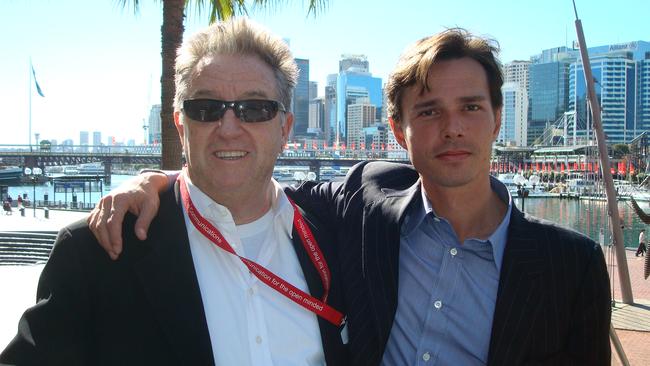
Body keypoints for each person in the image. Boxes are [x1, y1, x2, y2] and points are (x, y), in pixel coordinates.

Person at [86, 29, 612, 365]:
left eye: (471, 107)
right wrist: (156, 180)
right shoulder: (365, 202)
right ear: (398, 129)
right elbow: (246, 182)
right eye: (428, 111)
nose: (452, 129)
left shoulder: (572, 266)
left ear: (498, 117)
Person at [0, 18, 348, 366]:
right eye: (206, 108)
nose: (228, 128)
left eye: (254, 109)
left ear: (285, 128)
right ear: (181, 125)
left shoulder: (337, 240)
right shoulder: (96, 252)